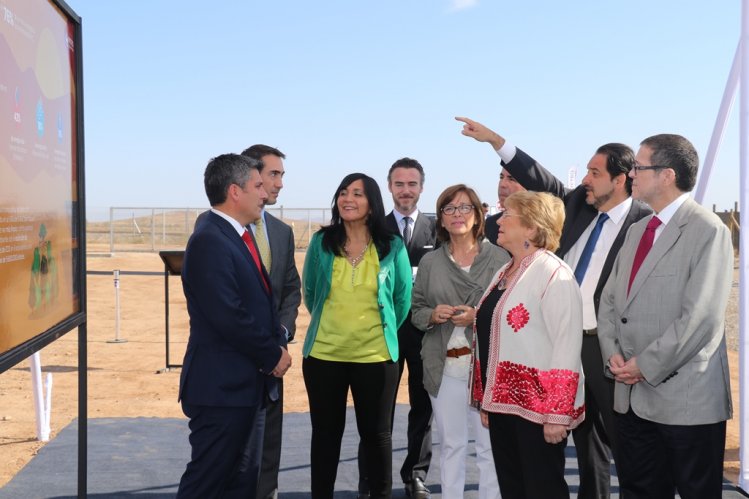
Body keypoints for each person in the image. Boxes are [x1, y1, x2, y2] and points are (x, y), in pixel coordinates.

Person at [457, 116, 651, 498]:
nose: (584, 180)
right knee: (572, 450)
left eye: (594, 172)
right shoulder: (578, 203)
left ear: (621, 178)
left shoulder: (644, 223)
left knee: (620, 443)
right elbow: (542, 180)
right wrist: (497, 142)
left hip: (602, 348)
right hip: (549, 344)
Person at [597, 134, 733, 498]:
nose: (632, 175)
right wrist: (613, 353)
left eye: (639, 167)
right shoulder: (638, 230)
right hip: (630, 398)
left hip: (686, 402)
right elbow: (609, 300)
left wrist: (645, 364)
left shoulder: (708, 230)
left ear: (667, 175)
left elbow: (700, 318)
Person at [177, 153, 292, 498]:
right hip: (220, 391)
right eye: (258, 185)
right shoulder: (210, 240)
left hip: (244, 388)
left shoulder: (235, 235)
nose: (266, 192)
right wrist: (272, 354)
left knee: (241, 482)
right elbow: (229, 315)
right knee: (208, 483)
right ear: (234, 191)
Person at [302, 173, 413, 498]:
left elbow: (402, 299)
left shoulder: (392, 246)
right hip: (323, 357)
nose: (348, 199)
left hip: (377, 359)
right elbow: (311, 292)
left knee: (377, 437)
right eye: (343, 193)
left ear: (372, 203)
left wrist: (380, 332)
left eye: (358, 194)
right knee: (325, 436)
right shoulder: (321, 243)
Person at [471, 191, 584, 498]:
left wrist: (558, 414)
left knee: (542, 489)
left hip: (539, 412)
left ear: (532, 228)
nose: (499, 220)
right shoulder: (504, 272)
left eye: (507, 214)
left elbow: (567, 344)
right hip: (503, 407)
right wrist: (486, 398)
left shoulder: (553, 272)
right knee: (514, 488)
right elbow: (491, 336)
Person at [410, 184, 507, 499]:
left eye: (465, 207)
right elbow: (416, 310)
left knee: (489, 447)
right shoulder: (430, 263)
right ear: (440, 218)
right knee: (451, 445)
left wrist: (477, 317)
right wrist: (434, 314)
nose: (457, 214)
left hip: (488, 366)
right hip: (445, 365)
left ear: (479, 216)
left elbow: (513, 311)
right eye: (449, 208)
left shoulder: (501, 259)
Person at [361, 157, 436, 498]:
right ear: (389, 186)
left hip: (425, 332)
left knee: (423, 406)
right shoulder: (372, 229)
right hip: (383, 332)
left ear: (422, 187)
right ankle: (372, 479)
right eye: (399, 184)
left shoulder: (439, 229)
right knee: (378, 411)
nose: (406, 191)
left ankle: (415, 474)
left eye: (412, 184)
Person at [241, 144, 302, 499]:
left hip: (274, 364)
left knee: (268, 446)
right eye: (273, 174)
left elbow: (290, 290)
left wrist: (280, 336)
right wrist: (262, 347)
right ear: (251, 176)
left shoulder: (281, 232)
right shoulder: (223, 228)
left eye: (282, 176)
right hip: (237, 363)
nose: (279, 184)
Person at [483, 169, 525, 247]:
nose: (502, 184)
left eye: (511, 179)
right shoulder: (490, 225)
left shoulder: (543, 228)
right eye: (501, 177)